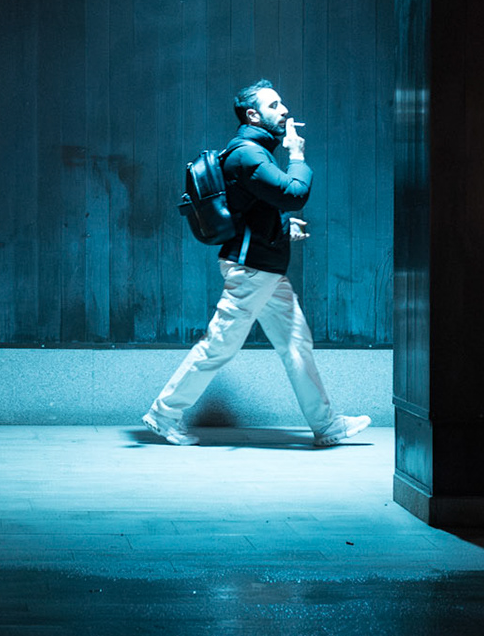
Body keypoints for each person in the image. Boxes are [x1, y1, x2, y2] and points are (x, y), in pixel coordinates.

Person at [143, 79, 371, 448]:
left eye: (282, 103)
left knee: (297, 345)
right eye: (274, 105)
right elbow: (293, 194)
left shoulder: (254, 153)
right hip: (251, 271)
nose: (284, 110)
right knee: (219, 346)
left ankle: (326, 426)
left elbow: (254, 210)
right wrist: (297, 154)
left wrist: (283, 226)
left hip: (266, 269)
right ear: (253, 114)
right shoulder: (247, 154)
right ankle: (163, 414)